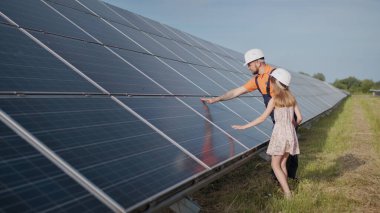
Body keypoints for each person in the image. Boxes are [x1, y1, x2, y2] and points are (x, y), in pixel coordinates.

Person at [201, 49, 299, 179]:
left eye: (249, 64)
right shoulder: (257, 80)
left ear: (258, 62)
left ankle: (287, 181)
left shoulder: (276, 75)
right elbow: (237, 91)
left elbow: (288, 95)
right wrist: (217, 99)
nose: (248, 67)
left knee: (286, 155)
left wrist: (293, 121)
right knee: (282, 155)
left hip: (287, 118)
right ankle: (283, 181)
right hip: (276, 119)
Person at [232, 68, 302, 198]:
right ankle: (284, 189)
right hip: (290, 133)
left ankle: (288, 194)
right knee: (282, 164)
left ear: (276, 82)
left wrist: (244, 126)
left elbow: (262, 118)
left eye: (272, 81)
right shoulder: (292, 99)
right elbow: (300, 118)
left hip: (280, 133)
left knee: (275, 165)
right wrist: (291, 127)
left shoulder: (274, 99)